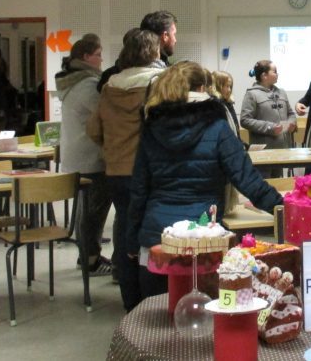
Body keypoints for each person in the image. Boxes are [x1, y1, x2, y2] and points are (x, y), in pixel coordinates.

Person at [128, 62, 282, 298]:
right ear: (202, 88)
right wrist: (283, 208)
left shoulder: (152, 127)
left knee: (158, 319)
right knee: (203, 319)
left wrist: (132, 238)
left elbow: (139, 189)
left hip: (156, 238)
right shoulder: (218, 128)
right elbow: (248, 180)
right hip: (203, 238)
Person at [87, 29, 165, 310]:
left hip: (116, 171)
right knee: (153, 235)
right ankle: (152, 299)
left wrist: (114, 148)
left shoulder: (109, 86)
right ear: (153, 53)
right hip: (148, 171)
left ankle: (130, 301)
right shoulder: (157, 83)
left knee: (125, 230)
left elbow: (93, 129)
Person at [57, 34, 113, 276]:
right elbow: (106, 115)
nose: (101, 60)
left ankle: (88, 256)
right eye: (98, 55)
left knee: (86, 210)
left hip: (77, 155)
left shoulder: (72, 82)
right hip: (91, 157)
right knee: (93, 213)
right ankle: (90, 260)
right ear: (86, 57)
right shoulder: (88, 86)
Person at [239, 60, 296, 176]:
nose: (277, 74)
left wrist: (291, 123)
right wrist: (269, 127)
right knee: (264, 185)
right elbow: (245, 120)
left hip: (281, 150)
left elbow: (291, 113)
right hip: (263, 152)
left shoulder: (281, 92)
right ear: (264, 75)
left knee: (279, 185)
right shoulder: (252, 94)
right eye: (274, 72)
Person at [99, 10, 177, 91]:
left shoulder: (110, 77)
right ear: (165, 36)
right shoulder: (165, 78)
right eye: (174, 34)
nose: (175, 40)